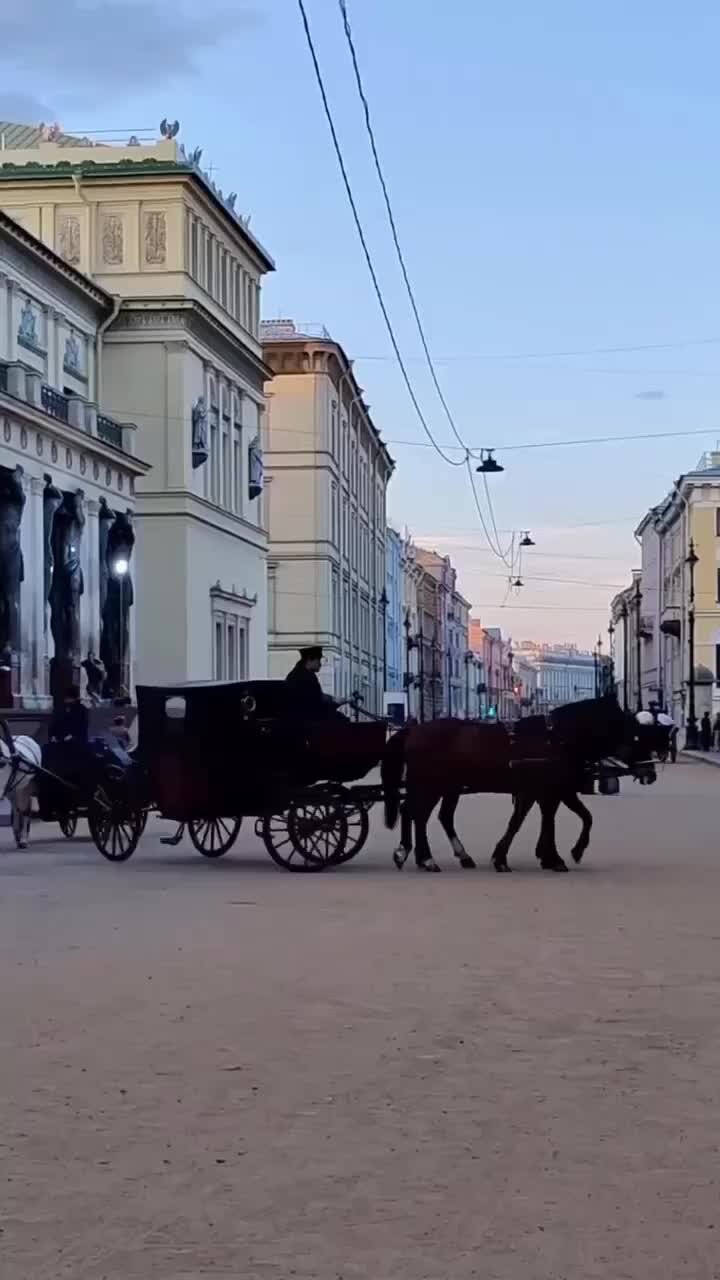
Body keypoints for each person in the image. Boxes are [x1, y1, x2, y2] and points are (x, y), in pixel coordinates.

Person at [285, 646, 337, 719]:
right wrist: (334, 701)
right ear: (309, 659)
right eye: (318, 660)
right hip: (306, 718)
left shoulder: (297, 673)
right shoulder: (305, 676)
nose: (320, 664)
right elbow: (316, 700)